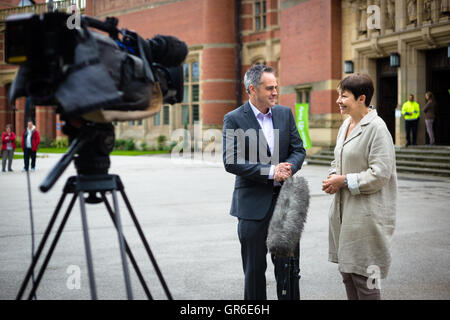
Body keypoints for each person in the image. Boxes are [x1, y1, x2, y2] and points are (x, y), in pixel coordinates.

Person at [222, 65, 306, 300]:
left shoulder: (284, 114)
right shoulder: (234, 119)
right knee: (254, 272)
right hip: (251, 209)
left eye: (276, 87)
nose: (275, 92)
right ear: (252, 89)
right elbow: (231, 161)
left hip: (285, 207)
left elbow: (298, 149)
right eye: (269, 88)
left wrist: (289, 166)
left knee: (289, 272)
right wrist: (271, 172)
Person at [322, 74, 397, 300]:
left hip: (368, 217)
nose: (338, 101)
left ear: (361, 98)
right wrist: (333, 176)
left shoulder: (377, 128)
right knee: (348, 273)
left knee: (367, 280)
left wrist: (343, 181)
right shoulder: (346, 125)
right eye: (338, 95)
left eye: (344, 96)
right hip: (345, 215)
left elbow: (380, 174)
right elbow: (338, 160)